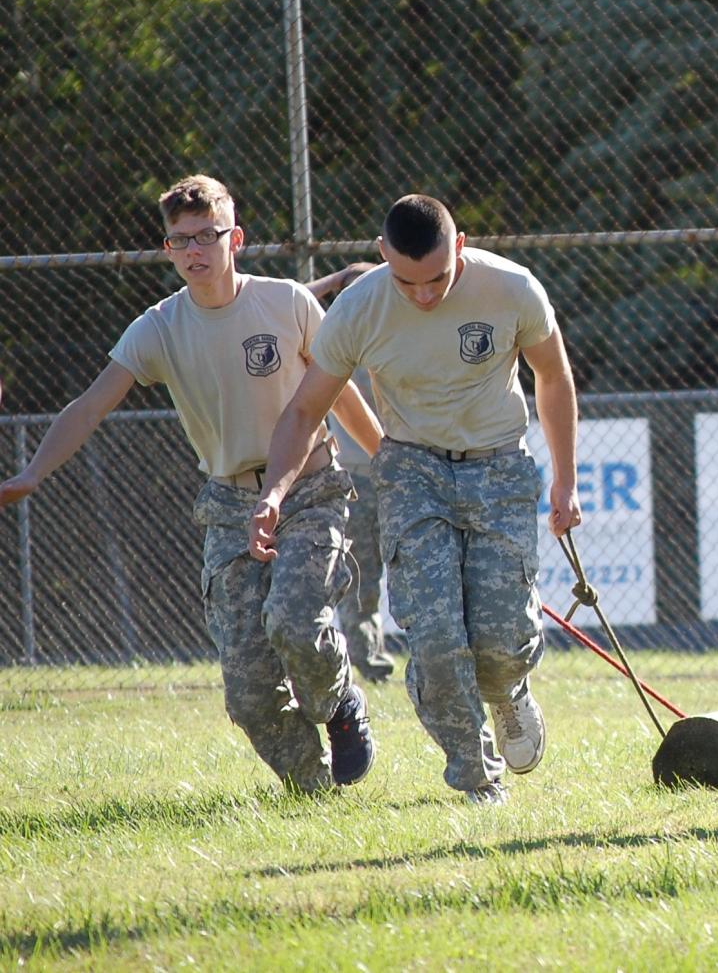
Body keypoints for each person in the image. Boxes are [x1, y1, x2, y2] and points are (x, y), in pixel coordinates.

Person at [0, 175, 380, 792]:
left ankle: (340, 703)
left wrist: (384, 456)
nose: (195, 251)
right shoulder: (158, 328)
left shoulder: (287, 302)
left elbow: (339, 394)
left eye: (207, 236)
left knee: (295, 622)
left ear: (236, 239)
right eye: (181, 241)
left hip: (310, 489)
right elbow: (91, 405)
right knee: (248, 691)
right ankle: (314, 793)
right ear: (169, 250)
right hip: (230, 502)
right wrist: (33, 471)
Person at [250, 194, 582, 806]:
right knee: (434, 634)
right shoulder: (358, 309)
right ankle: (475, 775)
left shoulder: (512, 289)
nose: (425, 295)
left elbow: (553, 376)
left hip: (499, 467)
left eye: (438, 279)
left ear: (459, 247)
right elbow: (303, 409)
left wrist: (565, 477)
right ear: (382, 257)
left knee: (501, 640)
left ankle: (508, 692)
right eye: (409, 282)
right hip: (411, 468)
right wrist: (274, 491)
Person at [307, 262, 398, 684]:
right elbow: (276, 306)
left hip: (403, 470)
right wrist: (337, 278)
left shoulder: (400, 329)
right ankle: (371, 660)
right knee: (362, 575)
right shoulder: (332, 333)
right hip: (359, 477)